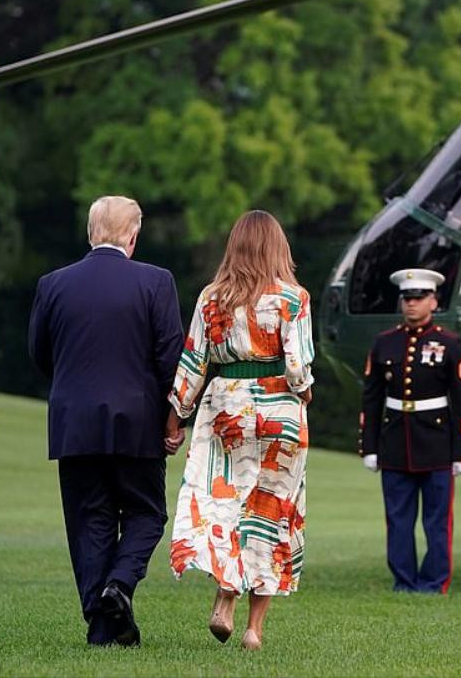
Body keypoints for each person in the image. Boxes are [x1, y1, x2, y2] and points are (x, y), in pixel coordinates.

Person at [28, 195, 186, 647]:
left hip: (74, 423)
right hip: (138, 423)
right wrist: (172, 419)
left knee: (89, 520)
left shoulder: (53, 284)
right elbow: (169, 358)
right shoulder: (157, 282)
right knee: (146, 513)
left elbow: (40, 353)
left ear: (90, 233)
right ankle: (119, 586)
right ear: (133, 236)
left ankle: (102, 627)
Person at [167, 210, 314, 651]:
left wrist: (175, 419)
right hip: (280, 412)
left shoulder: (213, 298)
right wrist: (304, 393)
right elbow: (297, 365)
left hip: (226, 406)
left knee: (225, 505)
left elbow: (193, 361)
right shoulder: (294, 298)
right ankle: (255, 629)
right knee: (273, 510)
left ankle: (224, 598)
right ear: (278, 248)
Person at [358, 268, 461, 593]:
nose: (411, 304)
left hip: (437, 443)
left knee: (437, 522)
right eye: (407, 298)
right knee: (398, 521)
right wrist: (369, 446)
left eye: (419, 298)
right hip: (395, 442)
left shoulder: (450, 344)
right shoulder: (384, 344)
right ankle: (404, 582)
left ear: (433, 301)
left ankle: (434, 582)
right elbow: (371, 399)